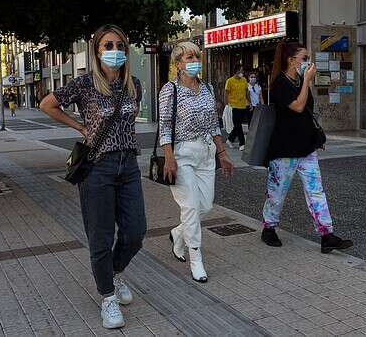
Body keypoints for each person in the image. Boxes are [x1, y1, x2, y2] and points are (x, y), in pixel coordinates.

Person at [40, 24, 146, 329]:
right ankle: (108, 297)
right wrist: (80, 127)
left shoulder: (134, 85)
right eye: (108, 46)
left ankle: (112, 272)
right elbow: (47, 104)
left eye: (120, 46)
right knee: (100, 237)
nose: (115, 52)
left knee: (136, 232)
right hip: (97, 168)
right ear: (97, 51)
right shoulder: (84, 84)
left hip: (129, 166)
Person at [261, 42, 353, 254]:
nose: (308, 62)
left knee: (316, 191)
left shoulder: (300, 80)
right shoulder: (279, 84)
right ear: (291, 60)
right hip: (284, 150)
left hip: (306, 148)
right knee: (277, 193)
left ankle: (326, 234)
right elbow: (298, 106)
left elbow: (306, 112)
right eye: (304, 58)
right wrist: (307, 82)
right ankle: (269, 227)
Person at [160, 42, 234, 283]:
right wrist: (169, 158)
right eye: (189, 57)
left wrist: (222, 152)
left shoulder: (208, 89)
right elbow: (164, 127)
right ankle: (195, 259)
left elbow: (214, 123)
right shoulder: (169, 90)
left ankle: (178, 233)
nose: (194, 61)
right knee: (191, 207)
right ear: (178, 63)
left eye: (197, 57)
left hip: (206, 152)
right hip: (182, 153)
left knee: (206, 206)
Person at [224, 64, 248, 151]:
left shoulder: (244, 80)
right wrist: (226, 104)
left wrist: (250, 102)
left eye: (242, 71)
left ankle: (230, 139)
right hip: (233, 106)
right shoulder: (230, 81)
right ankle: (242, 143)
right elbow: (226, 93)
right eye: (241, 70)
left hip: (243, 105)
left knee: (237, 125)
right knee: (238, 125)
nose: (242, 72)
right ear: (236, 71)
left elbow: (246, 91)